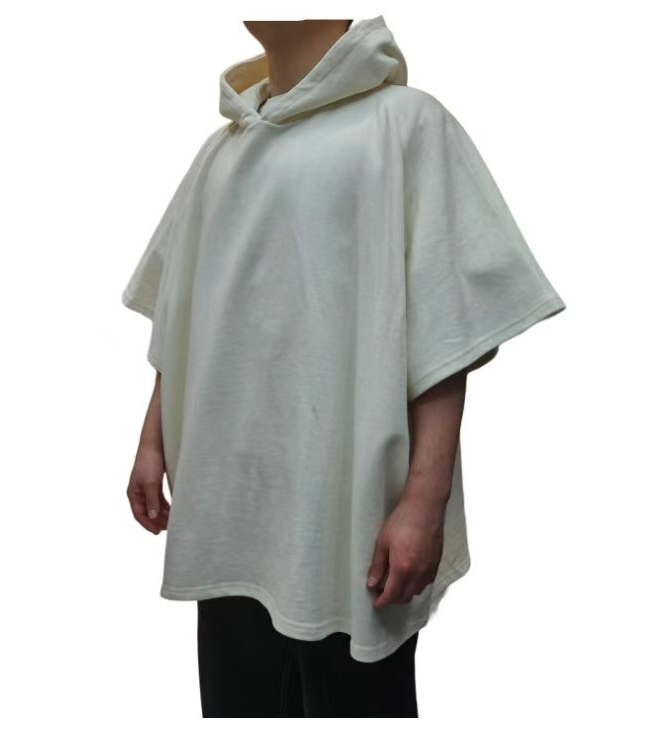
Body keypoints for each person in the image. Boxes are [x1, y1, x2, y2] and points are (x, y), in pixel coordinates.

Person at [122, 15, 566, 718]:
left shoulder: (403, 124)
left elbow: (445, 324)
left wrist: (423, 502)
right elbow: (184, 312)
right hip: (229, 503)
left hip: (346, 510)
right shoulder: (222, 151)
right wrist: (152, 439)